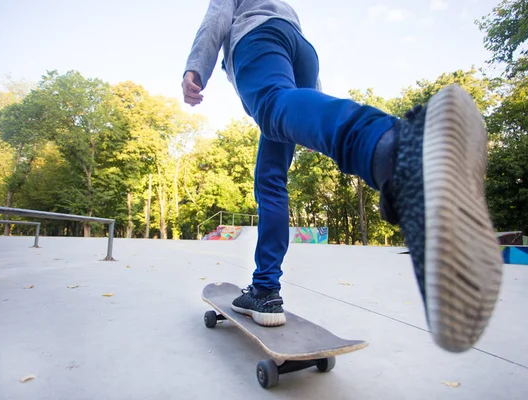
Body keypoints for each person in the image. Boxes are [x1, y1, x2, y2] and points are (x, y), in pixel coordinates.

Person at [182, 0, 503, 353]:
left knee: (272, 105)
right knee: (270, 177)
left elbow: (218, 16)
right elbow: (303, 88)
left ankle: (394, 149)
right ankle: (264, 290)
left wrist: (196, 68)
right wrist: (307, 122)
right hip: (302, 52)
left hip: (259, 40)